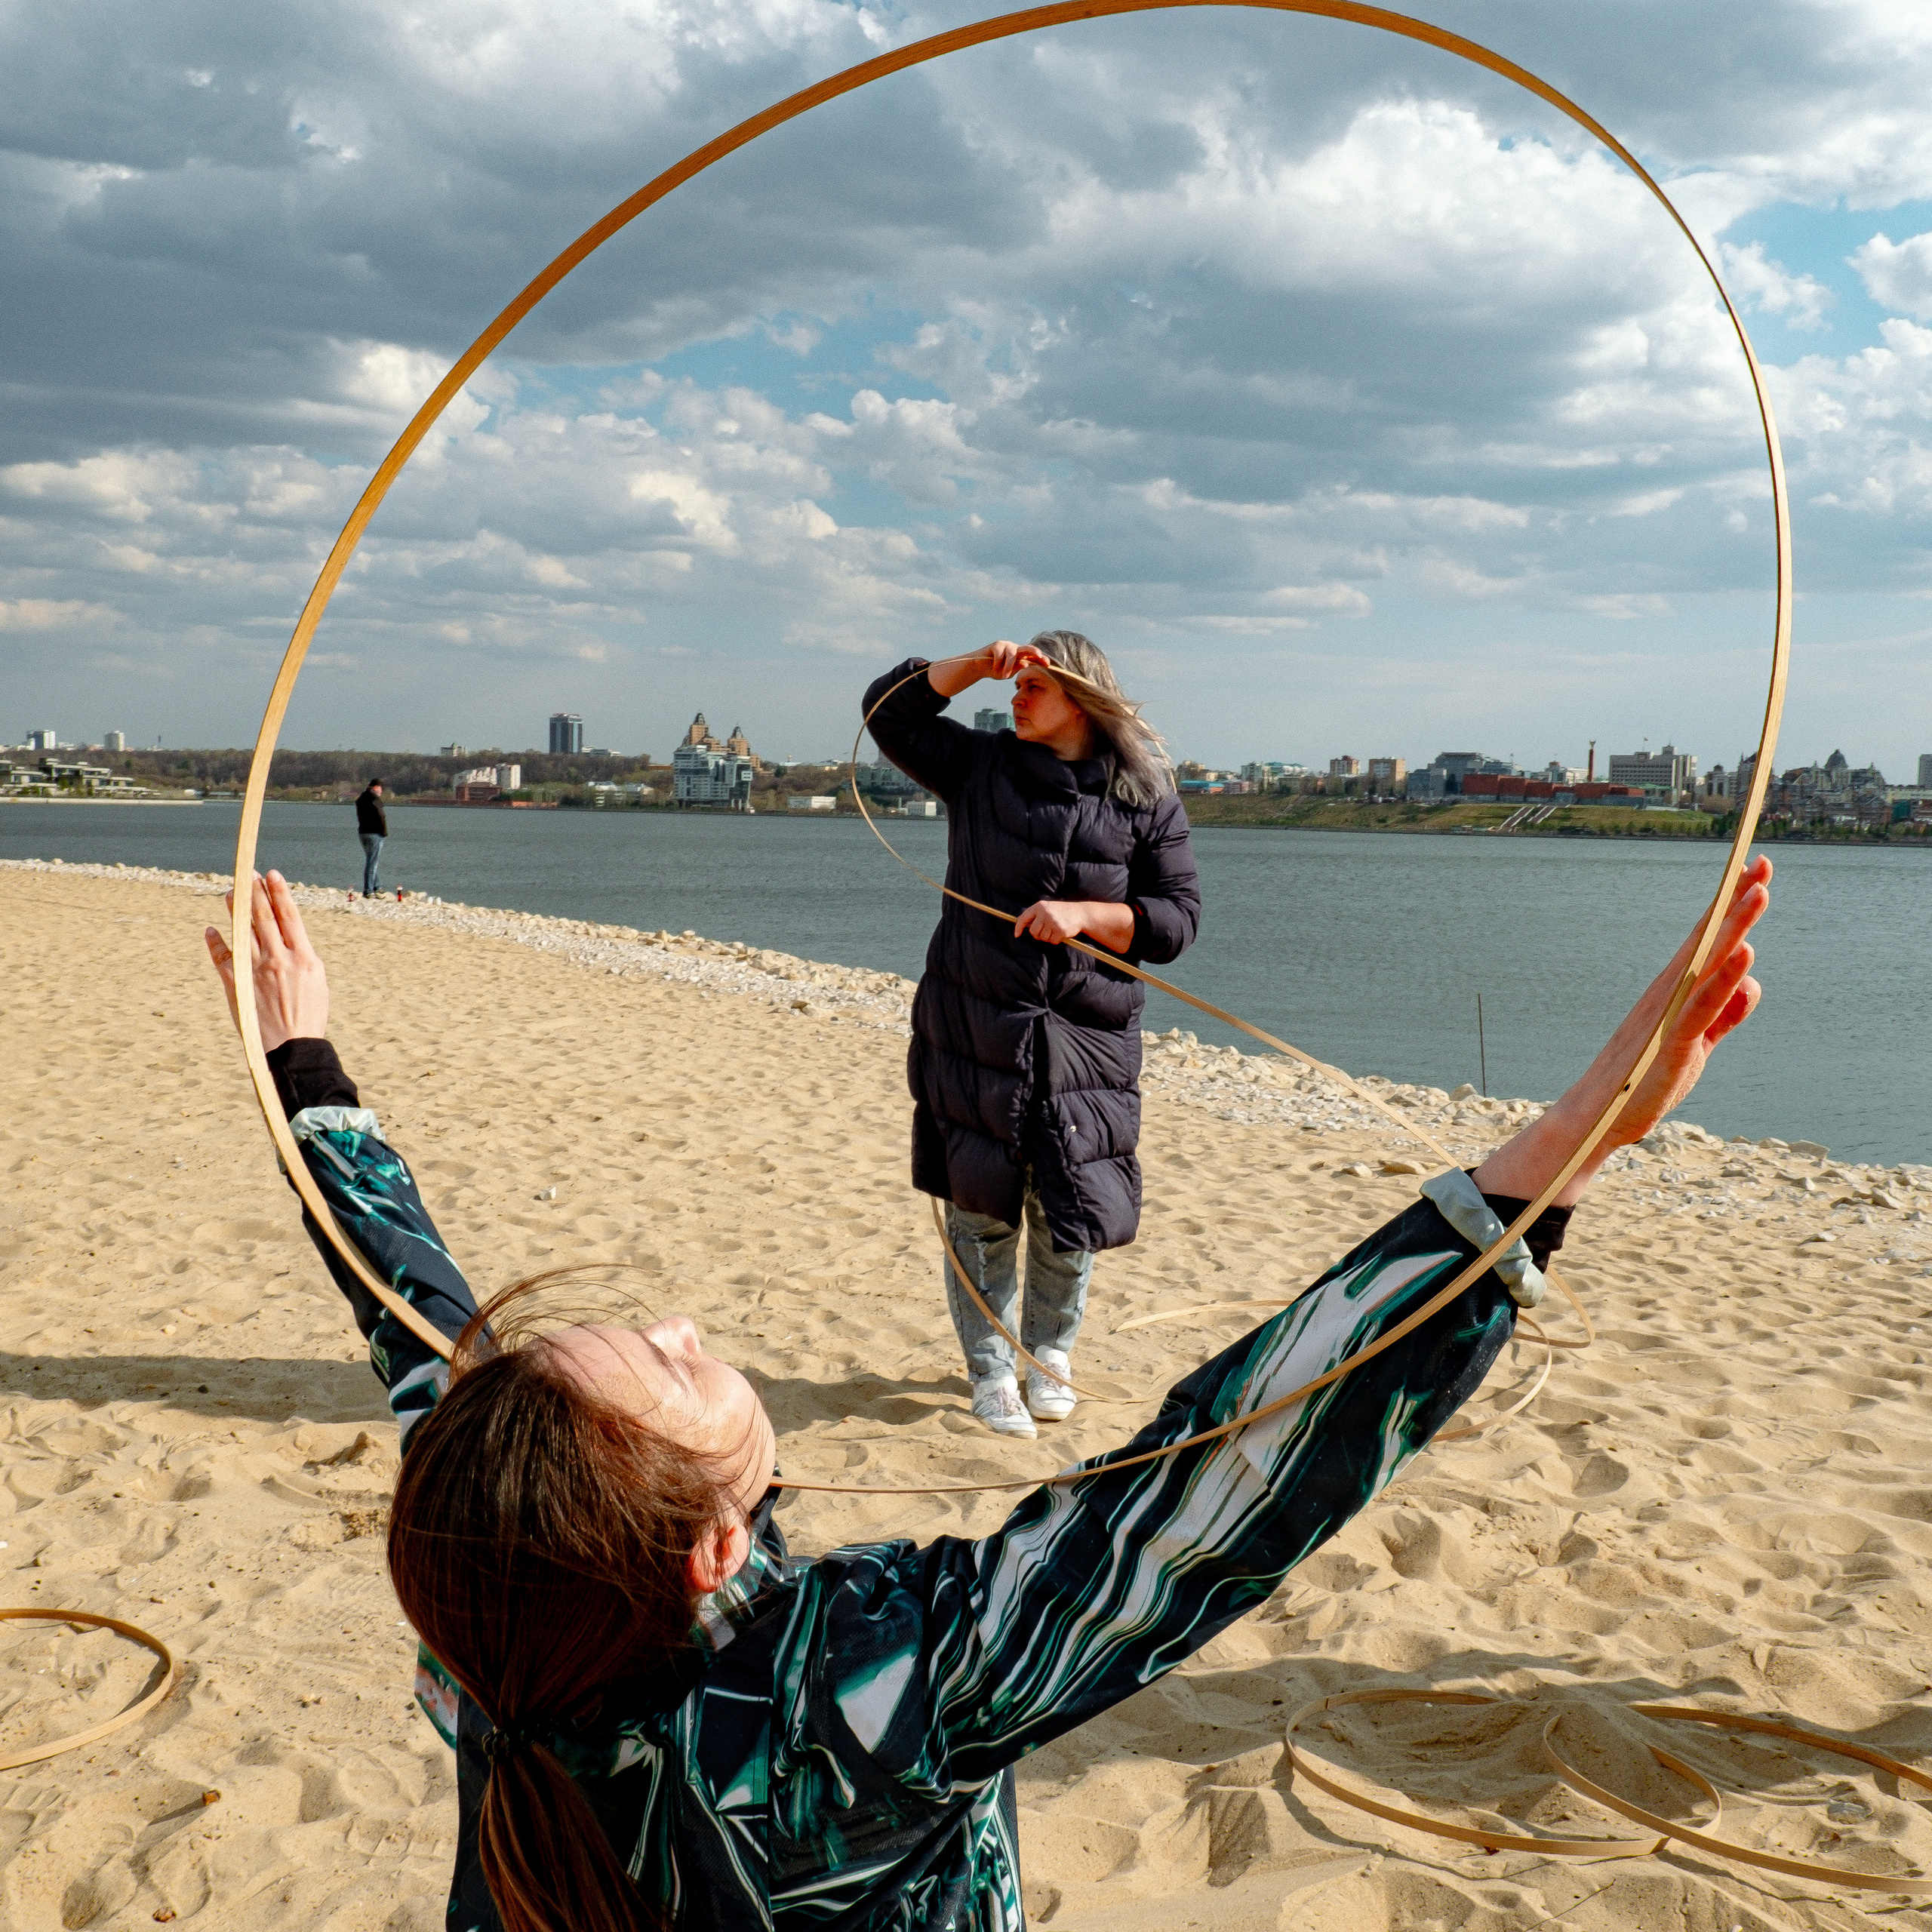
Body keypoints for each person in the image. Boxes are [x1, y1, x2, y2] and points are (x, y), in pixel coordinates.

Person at [204, 856, 1770, 1932]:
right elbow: (1206, 1488)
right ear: (698, 1551)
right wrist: (1559, 1151)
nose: (683, 1324)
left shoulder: (489, 1613)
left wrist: (309, 1074)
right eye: (666, 1363)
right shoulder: (852, 1677)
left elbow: (419, 1329)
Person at [863, 635, 1201, 1438]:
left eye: (1033, 688)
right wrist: (978, 662)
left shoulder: (1146, 795)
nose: (1014, 698)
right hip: (975, 1024)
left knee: (1067, 1206)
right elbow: (889, 715)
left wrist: (1089, 917)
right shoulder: (981, 766)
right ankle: (990, 1374)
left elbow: (1179, 919)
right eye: (1011, 686)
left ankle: (1049, 1359)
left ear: (1082, 699)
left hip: (1087, 1041)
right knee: (979, 1208)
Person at [355, 779, 387, 897]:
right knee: (372, 863)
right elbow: (381, 816)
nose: (381, 791)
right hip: (375, 833)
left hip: (363, 833)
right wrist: (384, 832)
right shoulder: (375, 800)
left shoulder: (361, 799)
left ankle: (377, 886)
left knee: (371, 860)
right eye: (380, 788)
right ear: (376, 787)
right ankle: (368, 890)